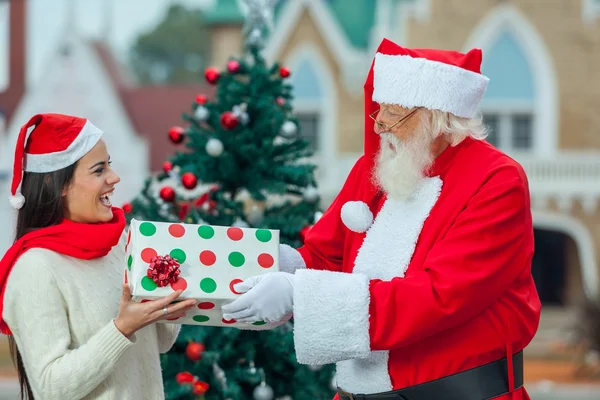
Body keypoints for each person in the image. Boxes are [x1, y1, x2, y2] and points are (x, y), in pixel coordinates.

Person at [222, 38, 542, 400]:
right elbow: (327, 255)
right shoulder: (376, 168)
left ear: (438, 117)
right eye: (380, 109)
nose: (379, 126)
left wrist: (300, 295)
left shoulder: (496, 180)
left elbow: (440, 296)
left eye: (395, 113)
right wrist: (274, 264)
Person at [0, 113, 197, 400]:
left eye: (110, 166)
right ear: (60, 184)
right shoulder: (36, 268)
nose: (114, 178)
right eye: (98, 170)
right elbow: (51, 388)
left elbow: (161, 344)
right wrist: (122, 328)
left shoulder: (122, 244)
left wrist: (168, 299)